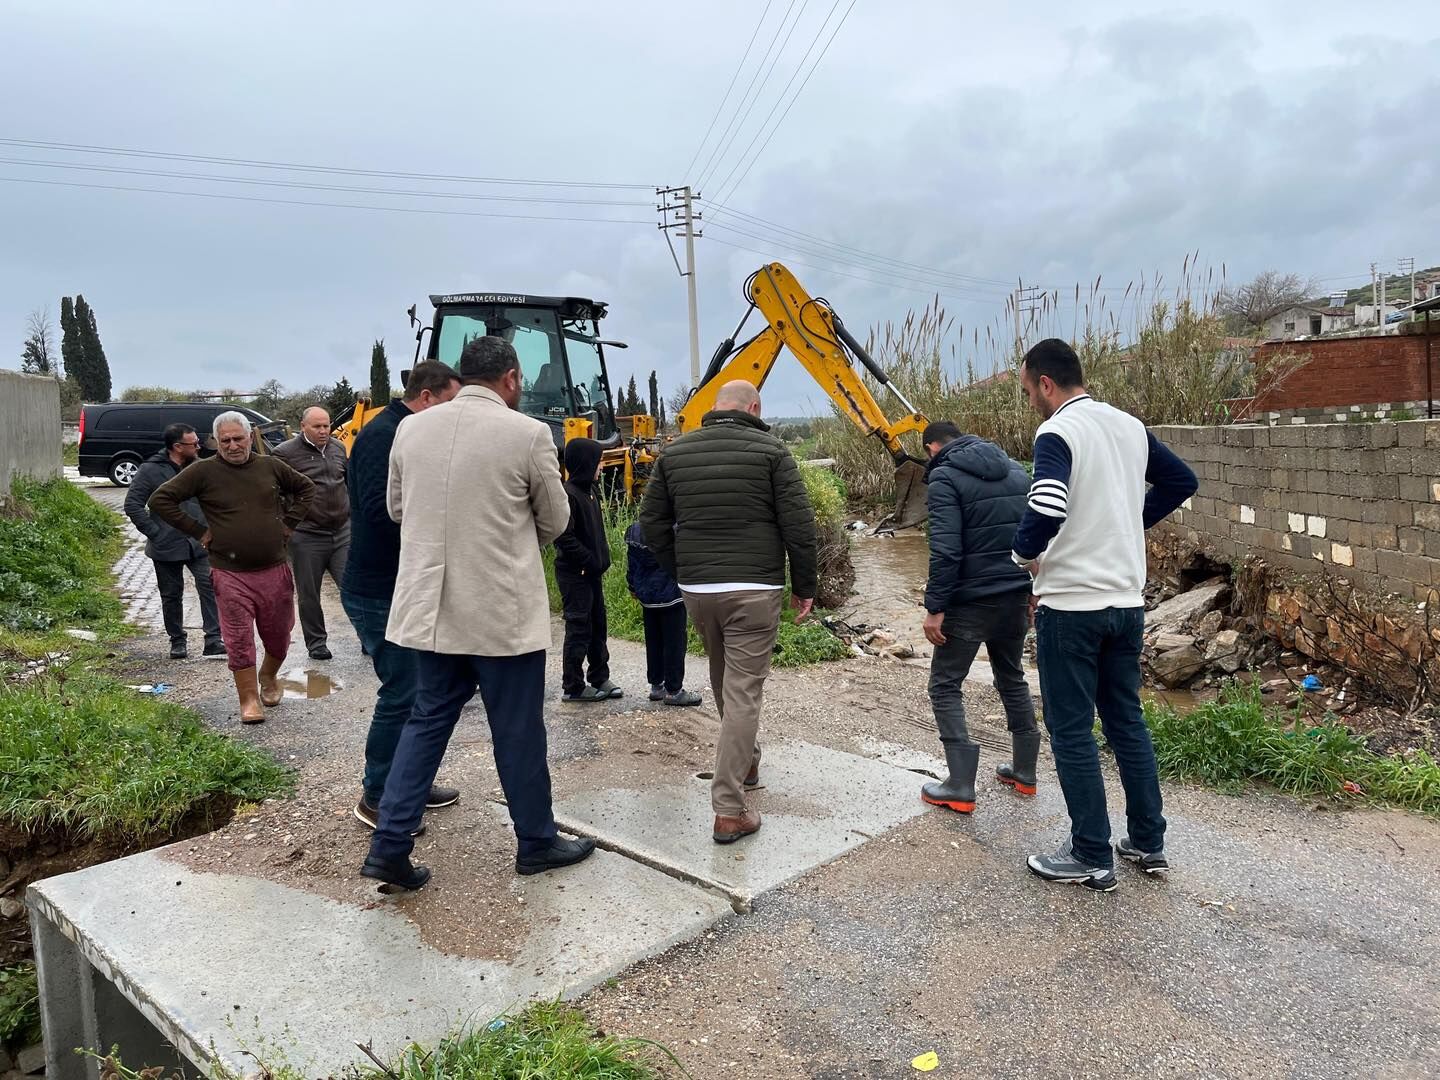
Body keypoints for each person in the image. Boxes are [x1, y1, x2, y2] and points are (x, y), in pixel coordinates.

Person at [361, 336, 594, 891]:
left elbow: (397, 509)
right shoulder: (528, 434)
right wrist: (511, 541)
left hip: (432, 610)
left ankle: (389, 844)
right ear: (511, 378)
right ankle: (535, 842)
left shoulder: (410, 429)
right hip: (499, 611)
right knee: (516, 730)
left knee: (426, 721)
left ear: (463, 375)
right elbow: (556, 518)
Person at [1012, 339, 1198, 892]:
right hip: (1126, 603)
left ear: (1046, 383)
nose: (1031, 404)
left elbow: (1047, 502)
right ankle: (1146, 840)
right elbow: (1181, 480)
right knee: (1125, 721)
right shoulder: (1129, 426)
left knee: (1070, 730)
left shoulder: (1058, 431)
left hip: (1072, 605)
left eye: (1028, 392)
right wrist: (1125, 524)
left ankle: (1092, 854)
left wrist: (1024, 555)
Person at [639, 380, 817, 845]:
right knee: (742, 691)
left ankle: (747, 759)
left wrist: (681, 568)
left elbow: (652, 521)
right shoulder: (773, 452)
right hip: (755, 586)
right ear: (754, 407)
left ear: (714, 408)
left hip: (699, 590)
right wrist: (806, 587)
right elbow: (798, 525)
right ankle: (728, 809)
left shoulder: (675, 454)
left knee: (723, 677)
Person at [339, 362, 462, 831]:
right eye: (450, 403)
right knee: (403, 691)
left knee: (421, 691)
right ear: (427, 397)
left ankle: (409, 780)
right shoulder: (383, 435)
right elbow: (378, 510)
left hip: (397, 585)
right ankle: (377, 797)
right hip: (377, 588)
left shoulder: (402, 430)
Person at [148, 411, 315, 723]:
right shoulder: (202, 471)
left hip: (274, 569)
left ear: (250, 437)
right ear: (216, 442)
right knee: (237, 638)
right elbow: (161, 500)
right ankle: (249, 698)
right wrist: (198, 531)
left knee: (279, 635)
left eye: (238, 438)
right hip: (228, 572)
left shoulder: (270, 466)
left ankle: (268, 676)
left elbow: (306, 489)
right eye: (225, 440)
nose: (233, 445)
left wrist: (290, 523)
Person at [918, 420, 1038, 814]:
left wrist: (935, 607)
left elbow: (946, 550)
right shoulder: (1017, 471)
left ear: (933, 447)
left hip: (970, 602)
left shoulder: (945, 478)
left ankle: (960, 784)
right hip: (1016, 595)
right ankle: (1024, 772)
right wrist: (1034, 590)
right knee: (1012, 677)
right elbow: (1036, 535)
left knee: (945, 685)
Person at [123, 423, 226, 660]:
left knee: (210, 588)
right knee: (171, 594)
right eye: (194, 444)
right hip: (166, 546)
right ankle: (177, 640)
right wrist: (155, 532)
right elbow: (133, 505)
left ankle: (213, 639)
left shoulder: (201, 467)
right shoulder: (150, 470)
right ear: (177, 447)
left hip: (199, 542)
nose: (199, 446)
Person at [273, 407, 349, 660]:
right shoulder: (285, 454)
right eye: (317, 426)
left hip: (341, 531)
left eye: (326, 425)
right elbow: (276, 494)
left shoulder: (338, 448)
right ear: (303, 426)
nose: (323, 431)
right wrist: (287, 525)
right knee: (309, 594)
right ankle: (316, 642)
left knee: (351, 587)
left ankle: (368, 637)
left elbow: (347, 482)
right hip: (307, 535)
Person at [554, 437, 624, 703]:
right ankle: (573, 685)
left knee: (598, 625)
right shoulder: (568, 494)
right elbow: (564, 537)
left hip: (592, 574)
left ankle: (599, 676)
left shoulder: (590, 492)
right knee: (579, 627)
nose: (601, 466)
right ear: (585, 463)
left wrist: (599, 562)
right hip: (576, 575)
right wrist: (588, 560)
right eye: (597, 461)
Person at [625, 520, 701, 706]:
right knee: (674, 643)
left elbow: (632, 563)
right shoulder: (676, 530)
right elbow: (685, 561)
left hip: (648, 597)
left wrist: (633, 587)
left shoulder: (636, 530)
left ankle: (656, 686)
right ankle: (674, 690)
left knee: (654, 641)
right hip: (671, 595)